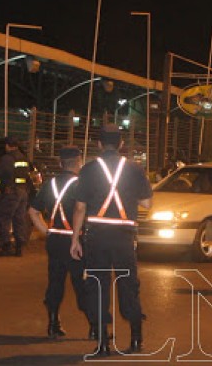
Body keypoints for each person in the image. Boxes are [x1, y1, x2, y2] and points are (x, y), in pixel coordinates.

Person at [70, 124, 152, 357]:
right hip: (124, 236)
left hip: (97, 235)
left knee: (98, 285)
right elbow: (147, 203)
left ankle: (103, 342)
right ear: (121, 144)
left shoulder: (88, 170)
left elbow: (79, 207)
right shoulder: (135, 169)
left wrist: (75, 239)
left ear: (98, 144)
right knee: (128, 284)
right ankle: (136, 339)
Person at [28, 145, 92, 340]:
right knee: (81, 283)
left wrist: (47, 231)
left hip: (54, 240)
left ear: (60, 162)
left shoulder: (50, 184)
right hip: (75, 240)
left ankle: (53, 324)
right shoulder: (82, 184)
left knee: (55, 282)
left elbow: (33, 212)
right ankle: (95, 326)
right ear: (79, 162)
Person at [0, 136, 31, 257]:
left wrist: (2, 187)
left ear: (7, 145)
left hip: (12, 191)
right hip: (22, 191)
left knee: (2, 218)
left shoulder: (7, 158)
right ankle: (19, 247)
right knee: (19, 219)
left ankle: (7, 246)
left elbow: (3, 175)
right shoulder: (23, 158)